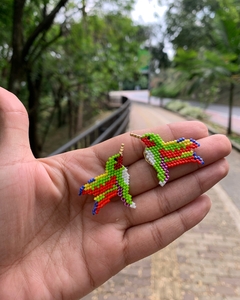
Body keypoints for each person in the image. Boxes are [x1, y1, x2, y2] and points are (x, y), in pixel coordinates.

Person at [0, 87, 231, 299]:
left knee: (180, 156)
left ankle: (187, 157)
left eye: (147, 140)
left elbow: (153, 165)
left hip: (135, 175)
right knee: (102, 192)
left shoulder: (148, 156)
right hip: (117, 183)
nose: (144, 141)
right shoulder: (118, 171)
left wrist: (156, 173)